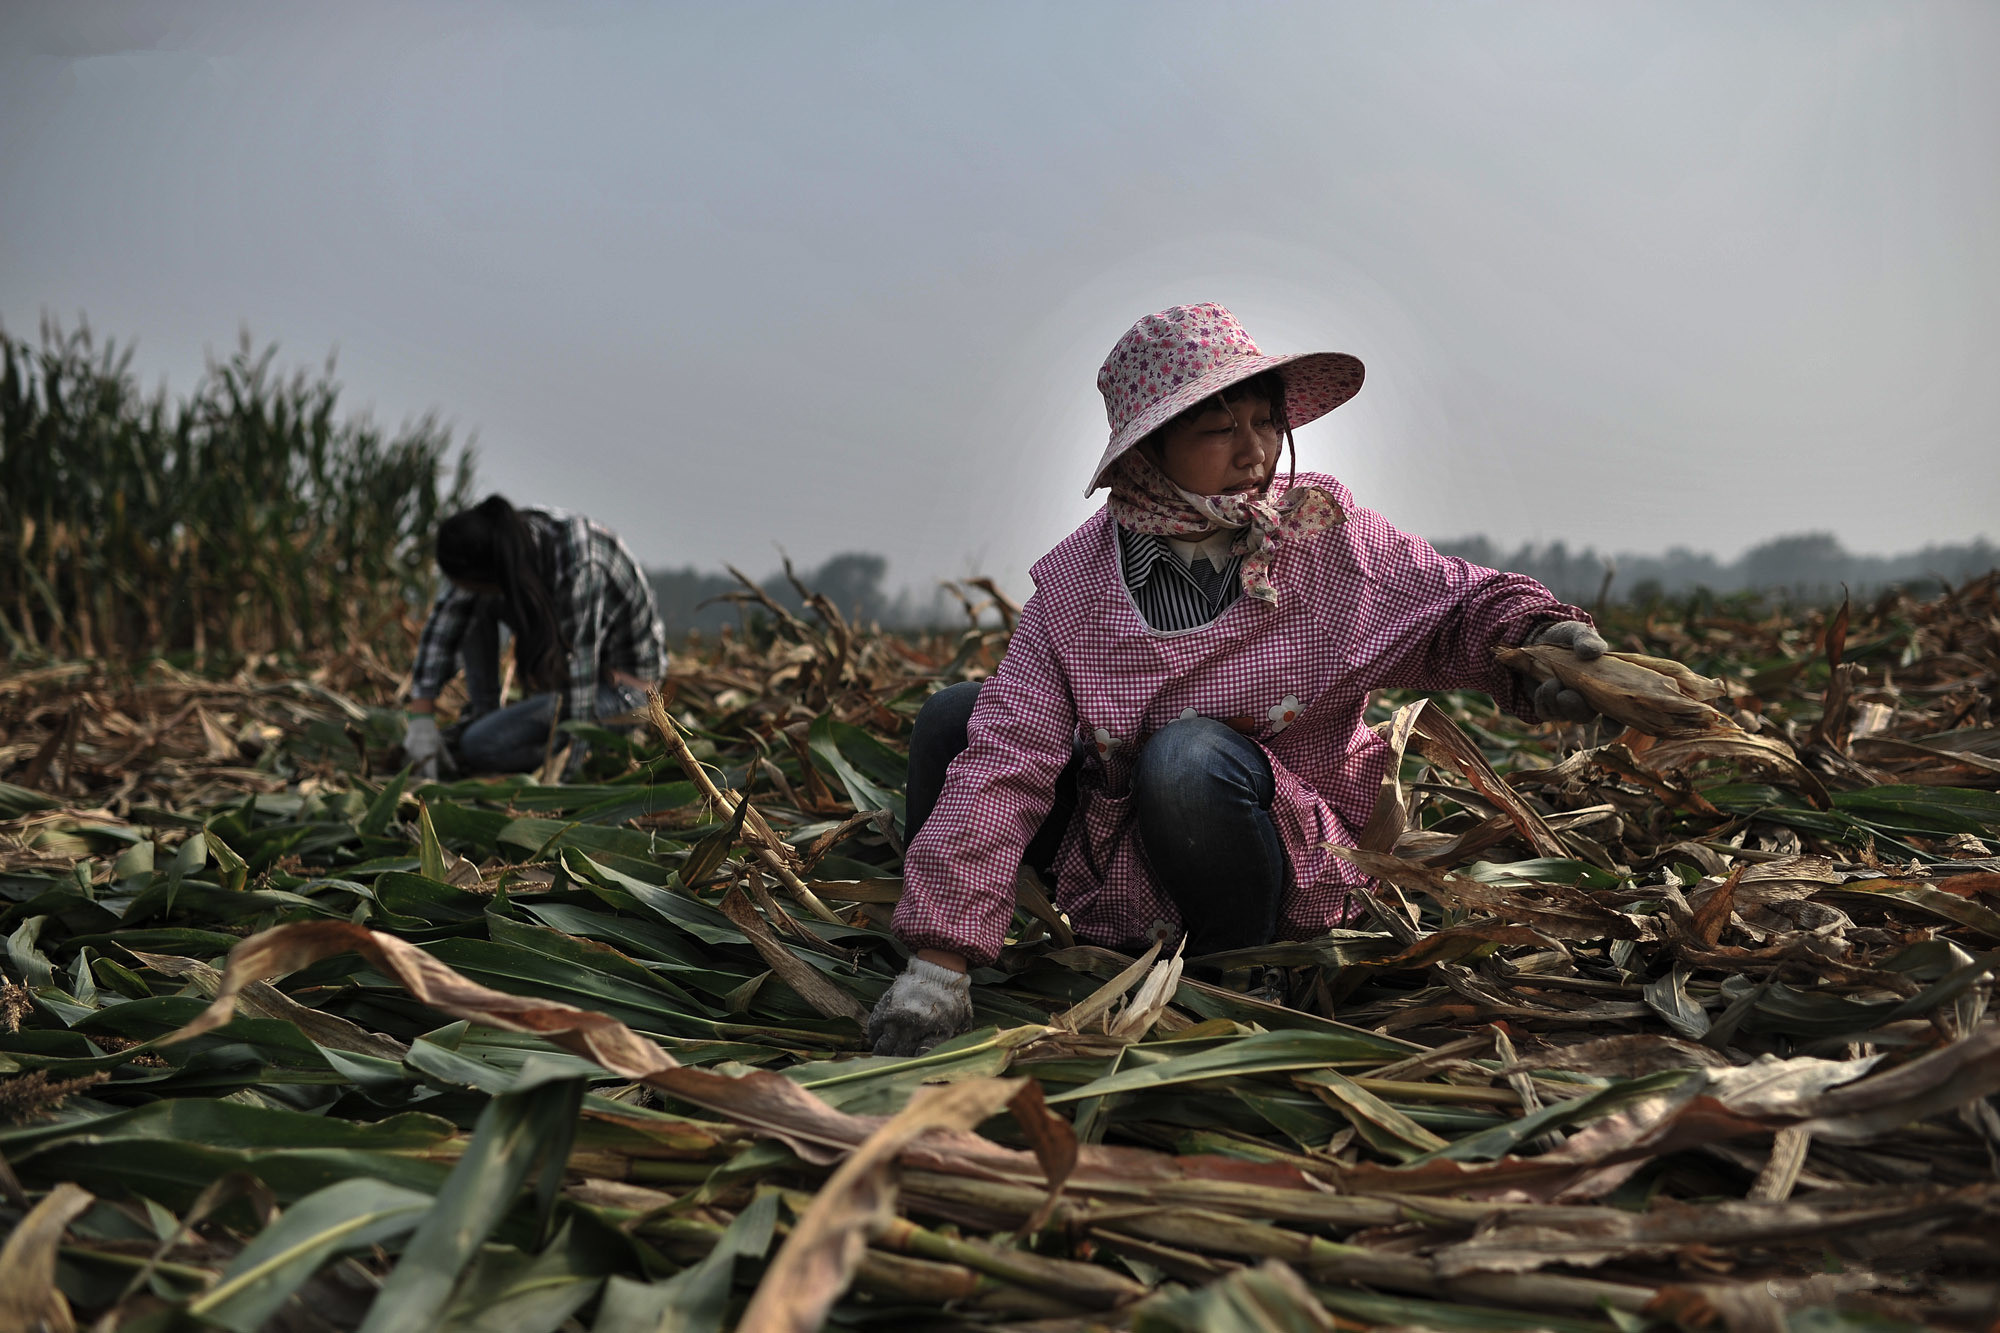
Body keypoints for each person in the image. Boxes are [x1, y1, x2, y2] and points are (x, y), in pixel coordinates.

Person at [866, 303, 1606, 1056]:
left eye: (1265, 421)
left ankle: (1242, 975)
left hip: (1280, 850)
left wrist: (1537, 641)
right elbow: (1008, 758)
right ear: (1147, 451)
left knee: (1187, 757)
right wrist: (940, 964)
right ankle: (953, 965)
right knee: (957, 719)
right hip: (1123, 858)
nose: (1254, 450)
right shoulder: (1076, 588)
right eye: (1219, 429)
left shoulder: (1320, 534)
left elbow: (1453, 604)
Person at [401, 495, 666, 780]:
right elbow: (446, 620)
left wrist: (561, 777)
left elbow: (580, 691)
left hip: (625, 692)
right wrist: (421, 717)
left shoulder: (578, 567)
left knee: (479, 746)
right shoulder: (504, 544)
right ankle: (484, 716)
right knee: (473, 608)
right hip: (571, 688)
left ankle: (600, 746)